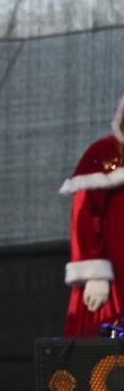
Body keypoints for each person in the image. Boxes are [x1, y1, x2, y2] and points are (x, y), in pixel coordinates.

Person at [59, 91, 124, 337]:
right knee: (104, 365)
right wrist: (95, 275)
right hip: (114, 282)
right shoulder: (106, 152)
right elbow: (84, 215)